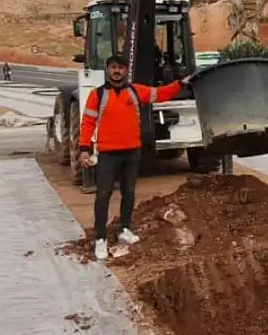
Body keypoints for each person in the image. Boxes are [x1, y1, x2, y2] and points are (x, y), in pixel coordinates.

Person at [78, 55, 189, 261]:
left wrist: (180, 84)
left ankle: (124, 230)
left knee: (129, 193)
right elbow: (88, 122)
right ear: (107, 69)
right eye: (113, 68)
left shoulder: (136, 91)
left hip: (132, 152)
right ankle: (101, 239)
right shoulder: (98, 95)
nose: (117, 71)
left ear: (126, 70)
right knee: (103, 196)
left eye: (120, 67)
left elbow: (161, 93)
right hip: (107, 154)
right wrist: (84, 148)